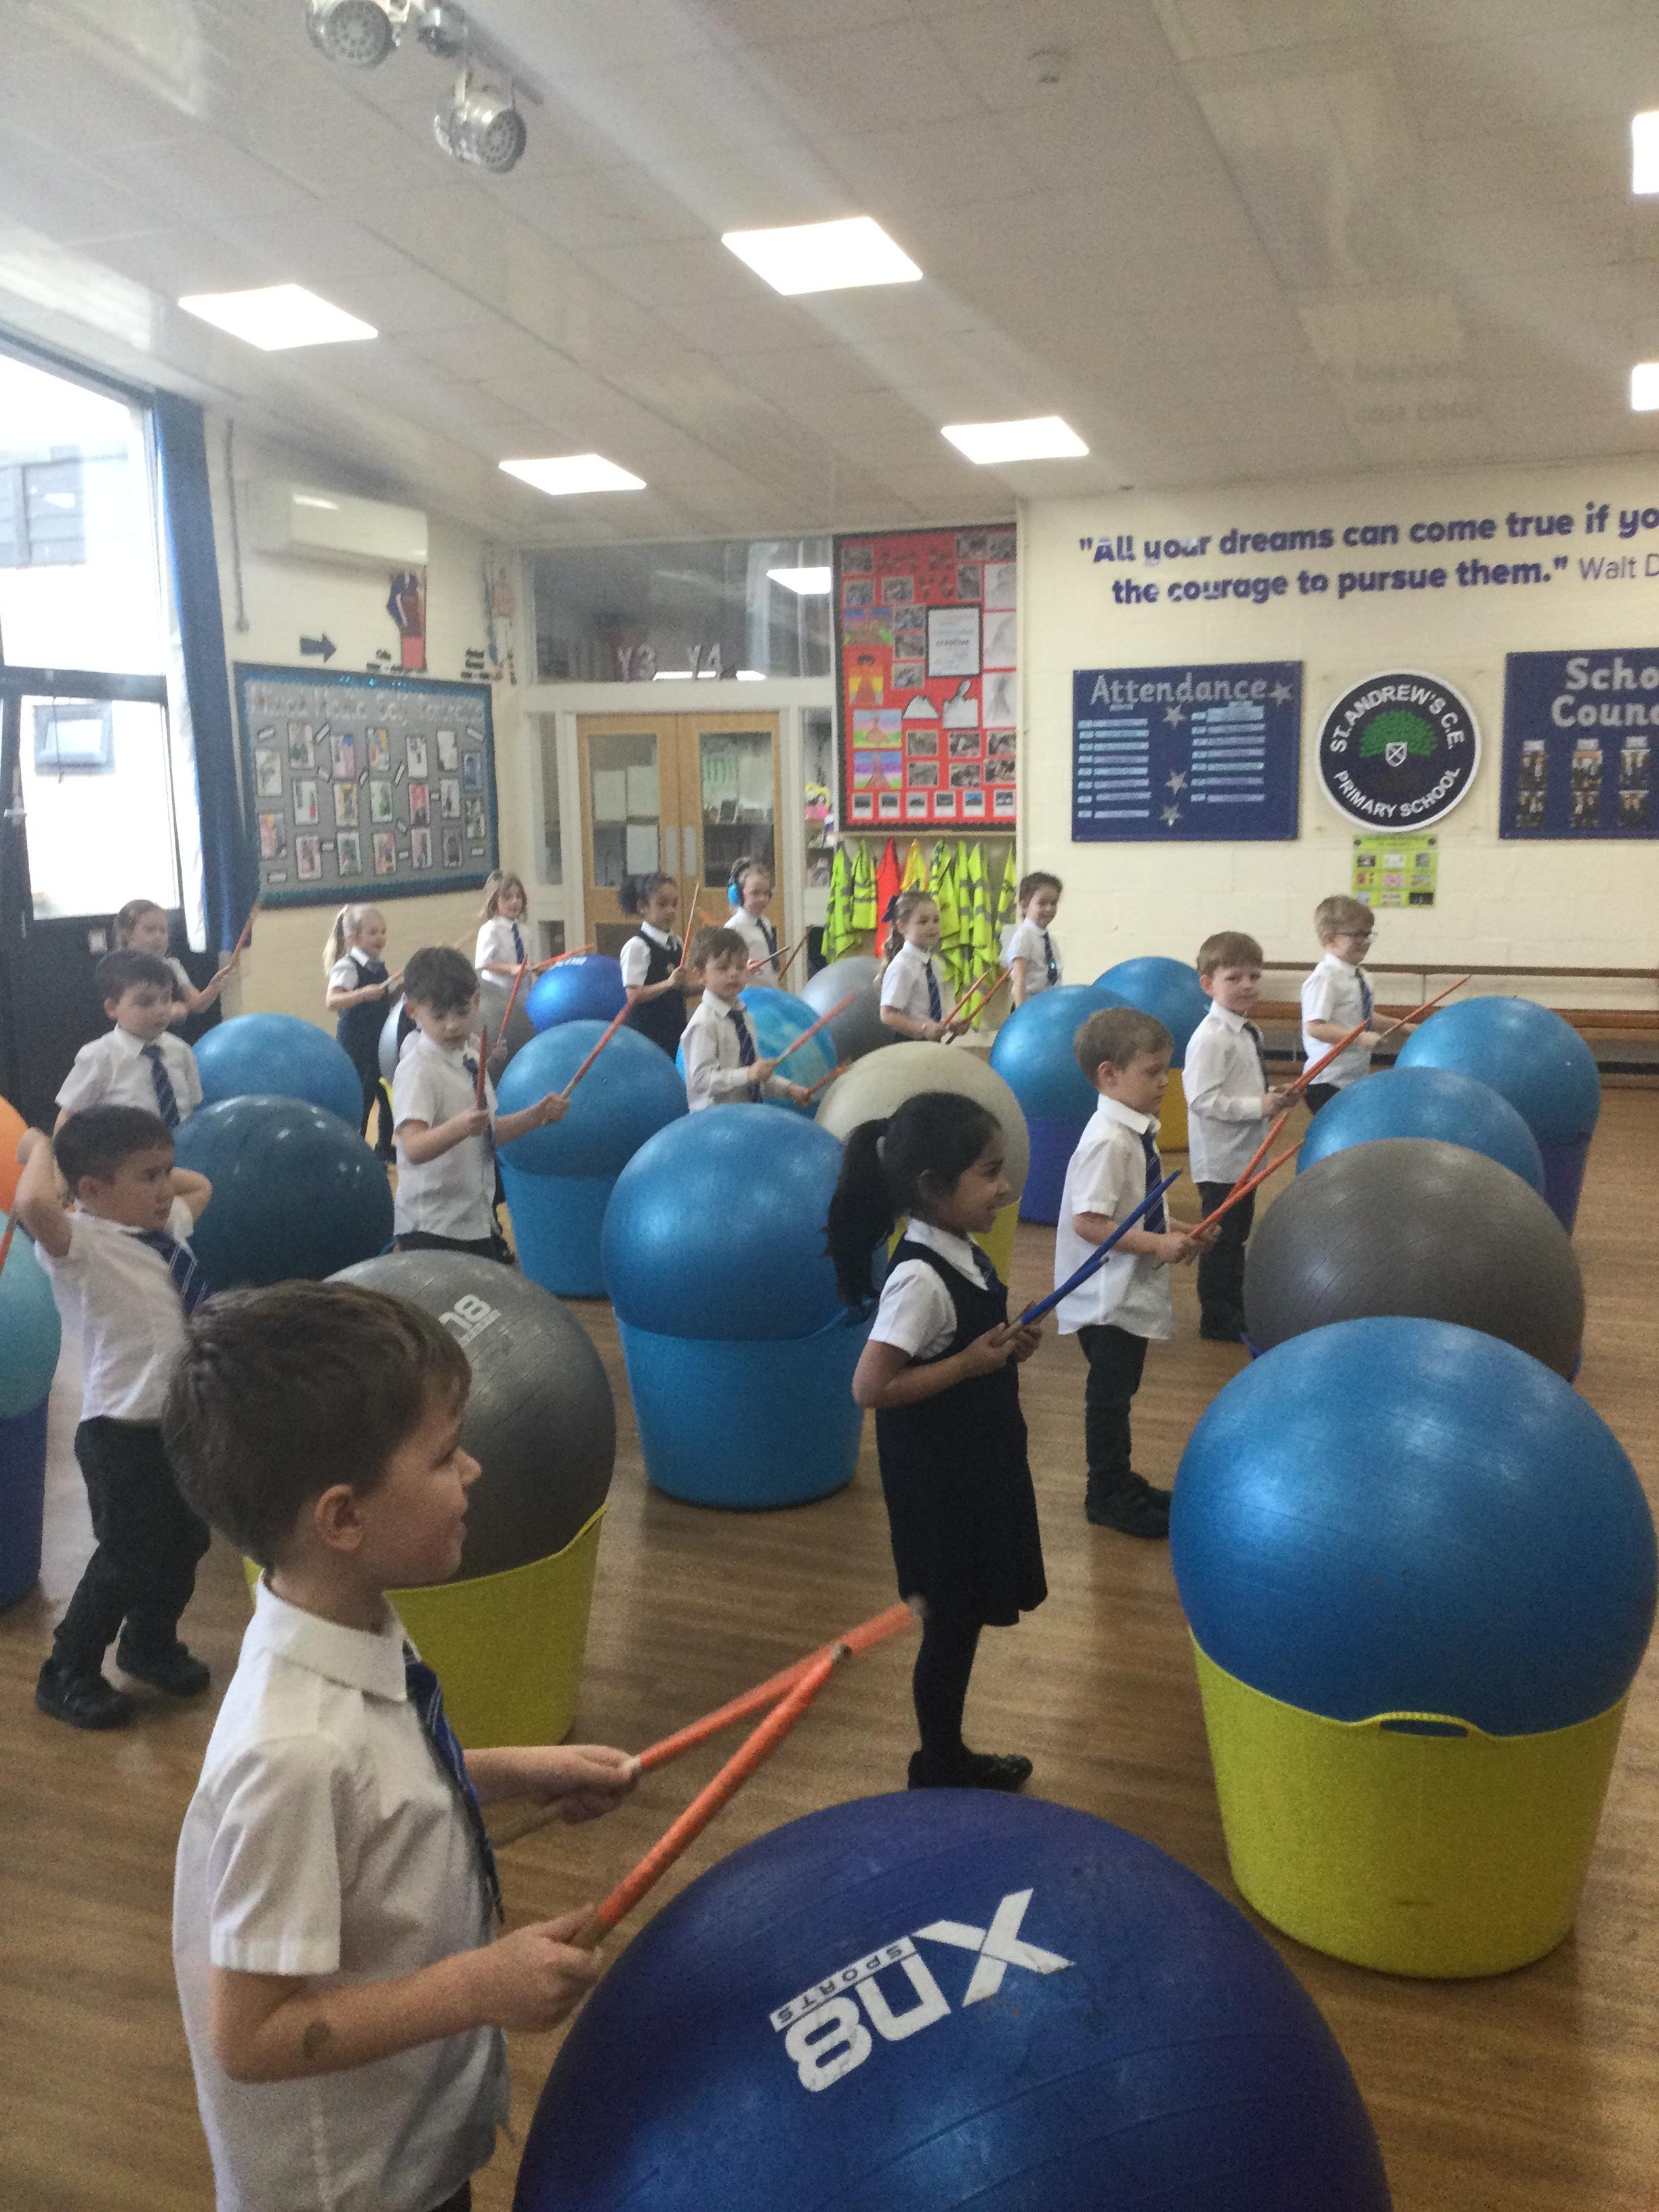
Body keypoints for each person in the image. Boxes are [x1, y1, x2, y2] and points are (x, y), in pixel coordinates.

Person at [165, 1279, 637, 2212]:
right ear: (343, 1518)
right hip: (351, 2185)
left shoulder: (353, 1615)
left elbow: (384, 1792)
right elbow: (250, 2036)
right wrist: (479, 1986)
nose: (474, 1472)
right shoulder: (291, 1753)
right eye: (446, 1456)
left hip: (411, 2132)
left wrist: (513, 1772)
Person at [827, 1091, 1045, 1792]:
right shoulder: (920, 1278)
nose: (1004, 1187)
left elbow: (956, 1346)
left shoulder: (961, 1248)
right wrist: (970, 1365)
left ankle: (946, 1757)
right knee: (949, 1631)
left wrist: (1003, 1348)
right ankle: (938, 1765)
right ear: (931, 1187)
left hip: (975, 1470)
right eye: (990, 1172)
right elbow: (870, 1386)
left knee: (962, 1623)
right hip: (939, 1489)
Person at [12, 1107, 213, 1730]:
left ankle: (148, 1644)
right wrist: (41, 1148)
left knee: (186, 1541)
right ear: (92, 1191)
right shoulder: (83, 1243)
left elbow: (202, 1185)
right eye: (149, 1177)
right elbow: (32, 1204)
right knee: (127, 1556)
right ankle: (67, 1670)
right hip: (120, 1433)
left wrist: (153, 1172)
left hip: (178, 1424)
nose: (166, 1188)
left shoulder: (167, 1226)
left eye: (165, 1171)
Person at [1054, 1007, 1210, 1538]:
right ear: (1110, 1074)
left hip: (1125, 1288)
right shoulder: (1109, 1140)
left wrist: (1183, 1229)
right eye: (1153, 1071)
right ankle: (1106, 1494)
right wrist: (1160, 1243)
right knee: (1109, 1397)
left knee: (1121, 1391)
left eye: (1167, 1069)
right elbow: (1089, 1222)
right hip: (1104, 1295)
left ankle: (1119, 1480)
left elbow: (1138, 1210)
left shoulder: (1134, 1130)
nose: (1165, 1081)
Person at [392, 947, 567, 1261]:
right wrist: (460, 1128)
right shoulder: (417, 1068)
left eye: (461, 1013)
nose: (451, 1026)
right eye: (439, 1016)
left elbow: (487, 1132)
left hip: (474, 1220)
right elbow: (414, 1148)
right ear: (412, 1011)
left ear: (476, 1001)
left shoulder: (471, 1058)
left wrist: (536, 1115)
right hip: (432, 1226)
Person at [1183, 931, 1293, 1344]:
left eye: (1254, 976)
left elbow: (1245, 1087)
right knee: (1221, 1241)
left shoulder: (1248, 1030)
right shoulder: (1211, 1037)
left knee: (1236, 1238)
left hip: (1246, 1154)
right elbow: (1202, 1100)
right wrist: (1258, 1106)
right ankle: (1216, 1317)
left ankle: (1233, 1305)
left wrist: (1276, 1097)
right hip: (1221, 1161)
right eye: (1234, 978)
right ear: (1208, 984)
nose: (1247, 985)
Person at [56, 949, 203, 1131]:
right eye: (145, 1002)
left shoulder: (181, 1050)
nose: (160, 1010)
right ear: (112, 1008)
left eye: (166, 999)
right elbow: (68, 1115)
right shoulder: (99, 1056)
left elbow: (192, 1108)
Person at [681, 926, 811, 1111]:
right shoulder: (704, 1022)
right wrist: (748, 1074)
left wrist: (788, 1089)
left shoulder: (743, 1017)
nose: (734, 974)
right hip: (715, 1121)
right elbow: (701, 1082)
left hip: (747, 1116)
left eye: (740, 967)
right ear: (701, 974)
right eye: (723, 968)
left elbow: (755, 1077)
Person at [324, 903, 403, 1162]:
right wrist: (363, 994)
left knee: (387, 1096)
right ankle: (355, 1153)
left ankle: (383, 1148)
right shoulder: (347, 967)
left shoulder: (378, 967)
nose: (381, 938)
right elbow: (332, 1001)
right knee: (363, 1100)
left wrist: (401, 991)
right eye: (373, 933)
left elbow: (384, 1002)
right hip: (356, 1045)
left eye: (383, 932)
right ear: (353, 937)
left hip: (379, 1043)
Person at [1300, 895, 1388, 1113]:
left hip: (1353, 1076)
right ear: (1330, 939)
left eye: (1367, 934)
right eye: (1357, 935)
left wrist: (1403, 1027)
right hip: (1327, 1080)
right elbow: (1315, 1027)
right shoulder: (1325, 978)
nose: (1365, 942)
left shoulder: (1361, 975)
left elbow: (1363, 1015)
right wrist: (1360, 1038)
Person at [113, 898, 239, 1027]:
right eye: (150, 930)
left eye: (163, 931)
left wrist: (214, 987)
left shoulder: (173, 965)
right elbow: (124, 1011)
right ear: (128, 934)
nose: (158, 936)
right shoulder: (119, 969)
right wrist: (165, 1011)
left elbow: (197, 1005)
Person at [617, 873, 689, 1059]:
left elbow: (681, 990)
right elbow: (633, 995)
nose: (671, 911)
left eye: (674, 904)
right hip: (647, 1036)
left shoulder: (676, 942)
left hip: (673, 1031)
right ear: (643, 907)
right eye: (662, 904)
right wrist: (669, 984)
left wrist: (709, 981)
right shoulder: (637, 946)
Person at [878, 892, 964, 1040]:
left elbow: (926, 1015)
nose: (932, 927)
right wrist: (923, 1029)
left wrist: (950, 1026)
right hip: (908, 1044)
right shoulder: (902, 966)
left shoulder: (935, 965)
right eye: (923, 922)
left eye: (936, 920)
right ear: (902, 927)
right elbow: (888, 1015)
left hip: (929, 1043)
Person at [1003, 873, 1063, 1007]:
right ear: (1025, 906)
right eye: (1042, 903)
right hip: (1029, 1005)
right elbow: (1019, 981)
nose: (1049, 908)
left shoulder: (1048, 940)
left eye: (1053, 903)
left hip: (1048, 1003)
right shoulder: (1024, 936)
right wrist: (1023, 1013)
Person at [726, 857, 780, 981]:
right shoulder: (733, 928)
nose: (762, 899)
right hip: (748, 990)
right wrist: (744, 970)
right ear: (738, 895)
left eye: (766, 893)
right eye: (755, 893)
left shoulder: (765, 922)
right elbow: (726, 968)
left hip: (767, 988)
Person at [474, 872, 531, 984]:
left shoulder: (523, 930)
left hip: (523, 989)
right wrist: (511, 968)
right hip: (497, 990)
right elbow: (482, 963)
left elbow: (524, 960)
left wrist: (535, 967)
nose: (515, 901)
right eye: (508, 897)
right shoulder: (490, 929)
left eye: (518, 896)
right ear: (495, 901)